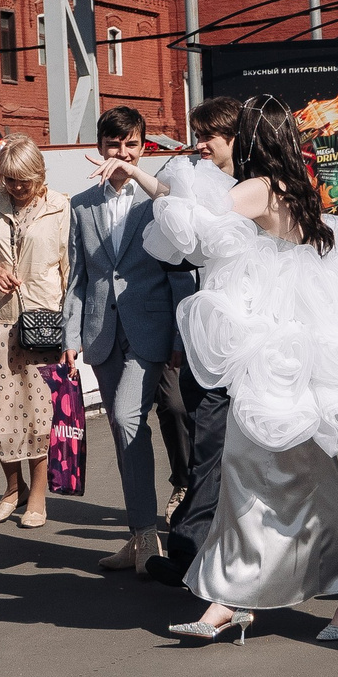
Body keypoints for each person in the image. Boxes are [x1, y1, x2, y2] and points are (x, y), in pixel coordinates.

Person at [111, 96, 338, 643]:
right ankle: (233, 596)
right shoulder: (294, 186)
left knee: (294, 473)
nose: (211, 146)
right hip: (284, 346)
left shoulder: (258, 187)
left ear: (251, 140)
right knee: (265, 470)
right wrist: (146, 177)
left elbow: (196, 223)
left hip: (272, 347)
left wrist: (145, 179)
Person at [67, 104, 192, 571]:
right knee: (126, 435)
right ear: (99, 147)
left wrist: (179, 335)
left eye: (131, 145)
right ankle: (141, 536)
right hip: (101, 331)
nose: (121, 153)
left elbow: (179, 273)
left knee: (125, 417)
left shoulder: (158, 200)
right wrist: (71, 334)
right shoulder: (81, 205)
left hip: (151, 329)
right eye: (113, 145)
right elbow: (78, 276)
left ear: (143, 148)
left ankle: (151, 535)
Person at [147, 98, 243, 590]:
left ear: (233, 137)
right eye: (197, 135)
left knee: (214, 445)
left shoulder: (251, 189)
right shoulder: (195, 183)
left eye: (209, 136)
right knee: (208, 443)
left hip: (238, 338)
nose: (200, 144)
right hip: (200, 335)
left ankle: (192, 551)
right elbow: (169, 198)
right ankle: (196, 548)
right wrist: (131, 170)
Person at [0, 134, 71, 529]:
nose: (15, 187)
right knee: (1, 413)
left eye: (23, 180)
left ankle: (38, 495)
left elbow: (70, 270)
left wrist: (71, 333)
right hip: (0, 321)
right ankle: (12, 489)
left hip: (44, 322)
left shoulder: (60, 207)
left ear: (39, 174)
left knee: (39, 414)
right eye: (8, 179)